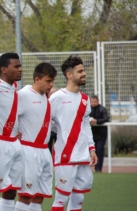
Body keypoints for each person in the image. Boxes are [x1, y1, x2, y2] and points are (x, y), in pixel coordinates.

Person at [49, 55, 98, 211]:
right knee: (60, 199)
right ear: (69, 75)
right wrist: (63, 132)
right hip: (65, 154)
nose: (84, 74)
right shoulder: (56, 98)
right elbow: (47, 123)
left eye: (84, 70)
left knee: (78, 199)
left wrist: (91, 148)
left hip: (83, 155)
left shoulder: (85, 99)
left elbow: (85, 125)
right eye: (80, 71)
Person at [15, 63, 57, 211]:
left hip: (44, 151)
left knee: (39, 196)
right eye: (48, 81)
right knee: (26, 195)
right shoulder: (24, 95)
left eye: (52, 81)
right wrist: (14, 133)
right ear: (37, 79)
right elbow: (10, 115)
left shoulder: (46, 97)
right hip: (28, 150)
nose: (51, 85)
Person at [0, 52, 23, 211]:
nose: (20, 69)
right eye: (16, 66)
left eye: (20, 65)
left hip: (14, 143)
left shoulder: (14, 86)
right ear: (4, 69)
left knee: (11, 191)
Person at [89, 94, 110, 172]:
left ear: (98, 101)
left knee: (100, 150)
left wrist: (97, 121)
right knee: (92, 151)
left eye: (95, 101)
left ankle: (98, 168)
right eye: (92, 101)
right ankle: (91, 166)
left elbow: (106, 118)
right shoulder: (88, 109)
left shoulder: (102, 109)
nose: (93, 103)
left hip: (101, 134)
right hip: (91, 134)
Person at [47, 88, 58, 154]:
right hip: (49, 129)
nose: (53, 95)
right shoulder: (46, 103)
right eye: (52, 93)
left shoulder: (59, 103)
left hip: (57, 129)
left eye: (55, 93)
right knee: (48, 147)